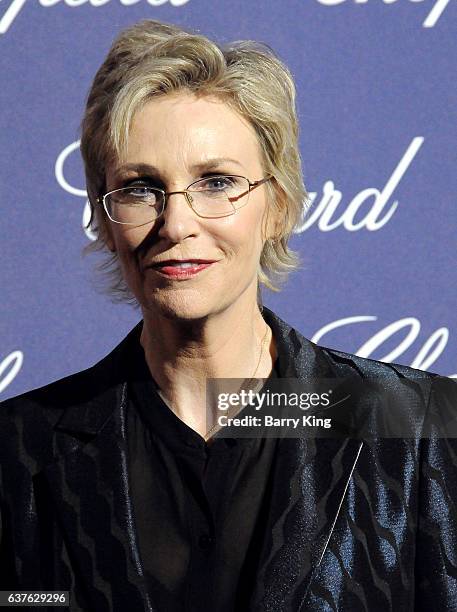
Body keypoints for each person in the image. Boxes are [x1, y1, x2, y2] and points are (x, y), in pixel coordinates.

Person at [1, 18, 456, 612]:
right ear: (104, 219)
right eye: (141, 189)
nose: (177, 223)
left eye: (216, 182)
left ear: (279, 207)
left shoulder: (414, 427)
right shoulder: (19, 447)